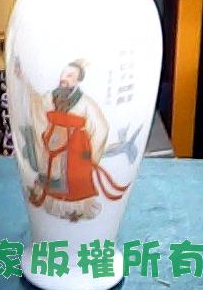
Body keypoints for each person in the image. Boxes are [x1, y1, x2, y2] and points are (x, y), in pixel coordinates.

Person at [16, 59, 129, 222]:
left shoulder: (85, 103)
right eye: (63, 74)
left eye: (70, 75)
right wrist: (23, 79)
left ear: (78, 80)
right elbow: (37, 103)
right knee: (49, 174)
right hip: (53, 142)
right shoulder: (51, 97)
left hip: (75, 148)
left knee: (72, 181)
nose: (64, 78)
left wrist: (90, 151)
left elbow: (101, 127)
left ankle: (73, 213)